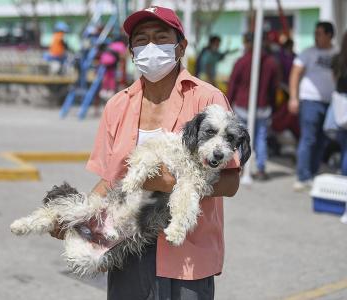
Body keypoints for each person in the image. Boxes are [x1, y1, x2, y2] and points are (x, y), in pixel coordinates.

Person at [51, 6, 241, 299]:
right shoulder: (117, 105)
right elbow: (109, 181)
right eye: (141, 39)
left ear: (181, 46)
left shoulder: (208, 99)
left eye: (160, 37)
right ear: (131, 51)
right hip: (124, 247)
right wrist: (78, 217)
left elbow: (230, 182)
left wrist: (172, 183)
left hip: (185, 254)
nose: (150, 46)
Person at [288, 22, 338, 191]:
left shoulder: (337, 53)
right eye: (315, 33)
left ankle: (313, 172)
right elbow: (295, 73)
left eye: (320, 33)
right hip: (310, 101)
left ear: (330, 35)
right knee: (308, 139)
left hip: (331, 103)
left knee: (323, 140)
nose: (315, 36)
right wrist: (293, 98)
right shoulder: (308, 53)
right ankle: (302, 176)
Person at [227, 32, 279, 180]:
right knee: (261, 139)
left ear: (248, 43)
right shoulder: (271, 63)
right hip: (263, 107)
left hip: (243, 106)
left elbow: (232, 85)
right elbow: (274, 88)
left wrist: (228, 103)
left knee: (240, 139)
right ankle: (261, 169)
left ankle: (240, 167)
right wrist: (273, 106)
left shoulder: (242, 61)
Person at [331, 31, 347, 175]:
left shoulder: (337, 58)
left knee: (344, 145)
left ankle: (343, 174)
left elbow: (334, 80)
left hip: (341, 106)